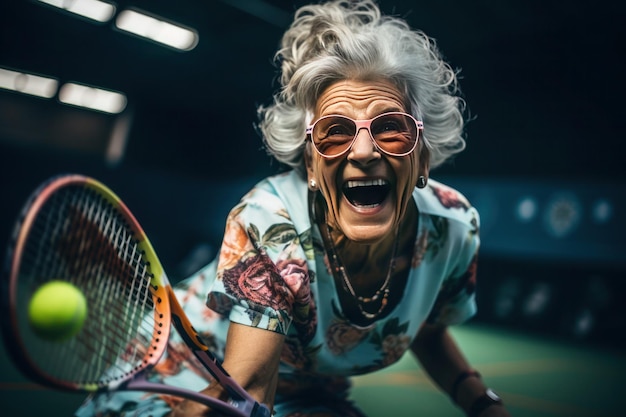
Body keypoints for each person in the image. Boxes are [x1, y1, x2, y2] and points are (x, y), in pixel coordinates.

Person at [76, 1, 511, 416]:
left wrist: (482, 403)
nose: (363, 151)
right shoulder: (270, 225)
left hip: (308, 390)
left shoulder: (453, 229)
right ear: (311, 164)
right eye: (335, 131)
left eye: (390, 128)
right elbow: (248, 387)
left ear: (423, 157)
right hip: (190, 379)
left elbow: (426, 331)